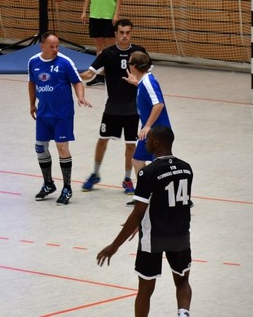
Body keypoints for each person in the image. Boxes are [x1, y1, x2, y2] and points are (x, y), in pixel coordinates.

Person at [96, 125, 192, 317]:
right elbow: (176, 204)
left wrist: (114, 246)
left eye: (147, 139)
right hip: (180, 235)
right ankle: (183, 314)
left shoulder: (147, 173)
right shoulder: (186, 169)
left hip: (153, 238)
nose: (145, 142)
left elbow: (138, 212)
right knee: (182, 281)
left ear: (156, 143)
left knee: (145, 289)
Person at [79, 19, 147, 194]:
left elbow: (147, 78)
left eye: (128, 33)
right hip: (112, 108)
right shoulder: (107, 53)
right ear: (116, 34)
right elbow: (89, 74)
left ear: (131, 33)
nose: (124, 36)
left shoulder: (139, 53)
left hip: (132, 109)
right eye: (121, 32)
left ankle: (127, 179)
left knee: (130, 145)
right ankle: (95, 174)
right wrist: (72, 76)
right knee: (102, 140)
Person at [28, 32, 91, 205]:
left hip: (62, 114)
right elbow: (32, 83)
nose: (55, 49)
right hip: (43, 113)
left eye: (57, 46)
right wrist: (32, 104)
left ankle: (67, 188)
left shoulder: (65, 62)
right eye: (52, 46)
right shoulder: (33, 62)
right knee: (40, 148)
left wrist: (80, 97)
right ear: (42, 46)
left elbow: (77, 81)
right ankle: (48, 183)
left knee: (62, 147)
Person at [123, 50, 172, 205]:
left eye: (129, 63)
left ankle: (173, 196)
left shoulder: (148, 82)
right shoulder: (144, 81)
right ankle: (144, 194)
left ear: (134, 66)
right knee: (137, 160)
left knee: (161, 166)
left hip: (158, 132)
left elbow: (158, 104)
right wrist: (135, 83)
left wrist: (148, 125)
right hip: (151, 132)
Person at [81, 0, 123, 86]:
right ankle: (100, 75)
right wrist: (84, 11)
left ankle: (112, 74)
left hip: (109, 15)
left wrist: (116, 13)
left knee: (111, 47)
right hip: (95, 14)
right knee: (99, 46)